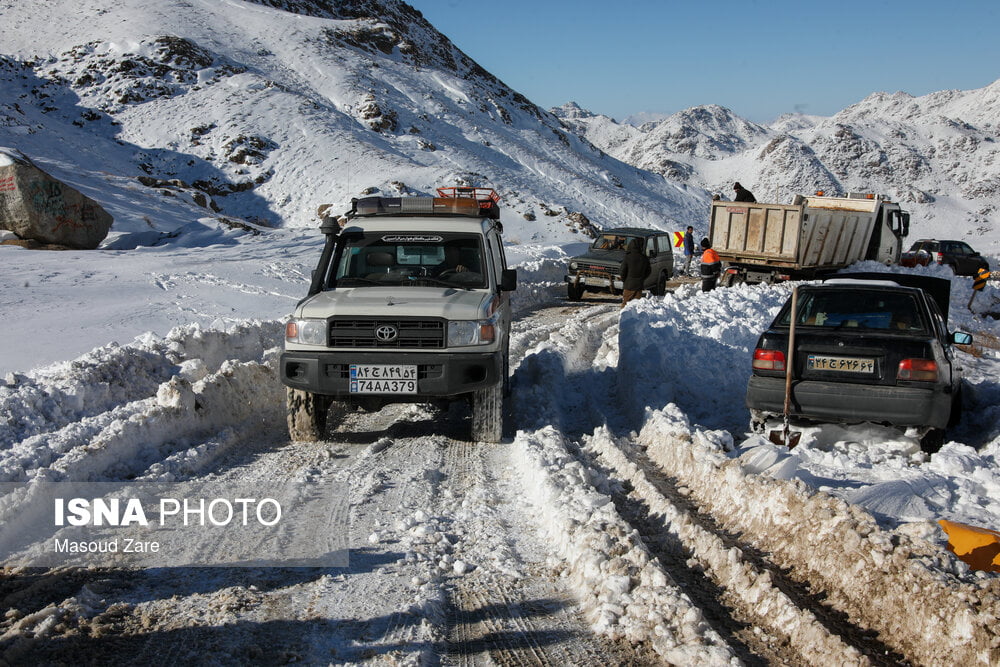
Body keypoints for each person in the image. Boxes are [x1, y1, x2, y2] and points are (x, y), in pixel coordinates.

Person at [619, 238, 650, 308]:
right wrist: (642, 278)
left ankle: (623, 318)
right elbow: (648, 271)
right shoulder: (644, 258)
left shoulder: (627, 257)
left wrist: (625, 280)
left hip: (628, 285)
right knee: (636, 306)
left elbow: (622, 271)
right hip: (639, 285)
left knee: (625, 304)